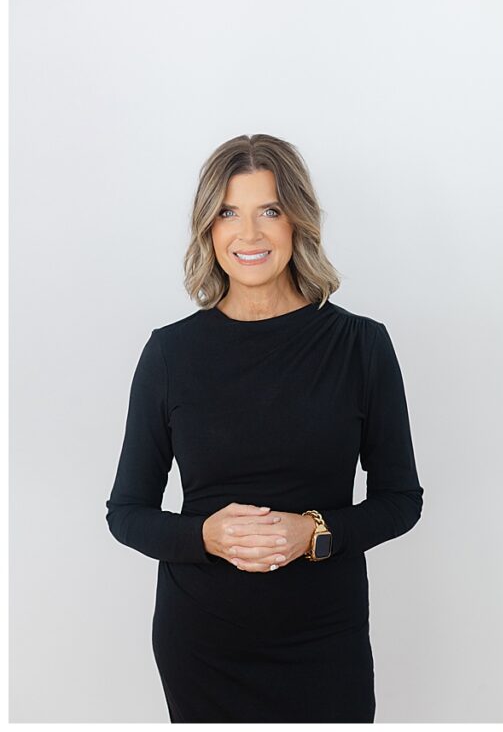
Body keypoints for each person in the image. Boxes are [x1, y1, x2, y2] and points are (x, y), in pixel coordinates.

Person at [105, 134, 424, 723]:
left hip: (325, 640)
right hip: (201, 643)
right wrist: (206, 536)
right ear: (208, 228)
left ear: (298, 221)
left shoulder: (361, 346)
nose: (248, 234)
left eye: (268, 211)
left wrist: (314, 531)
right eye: (228, 212)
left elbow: (402, 501)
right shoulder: (170, 354)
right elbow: (126, 512)